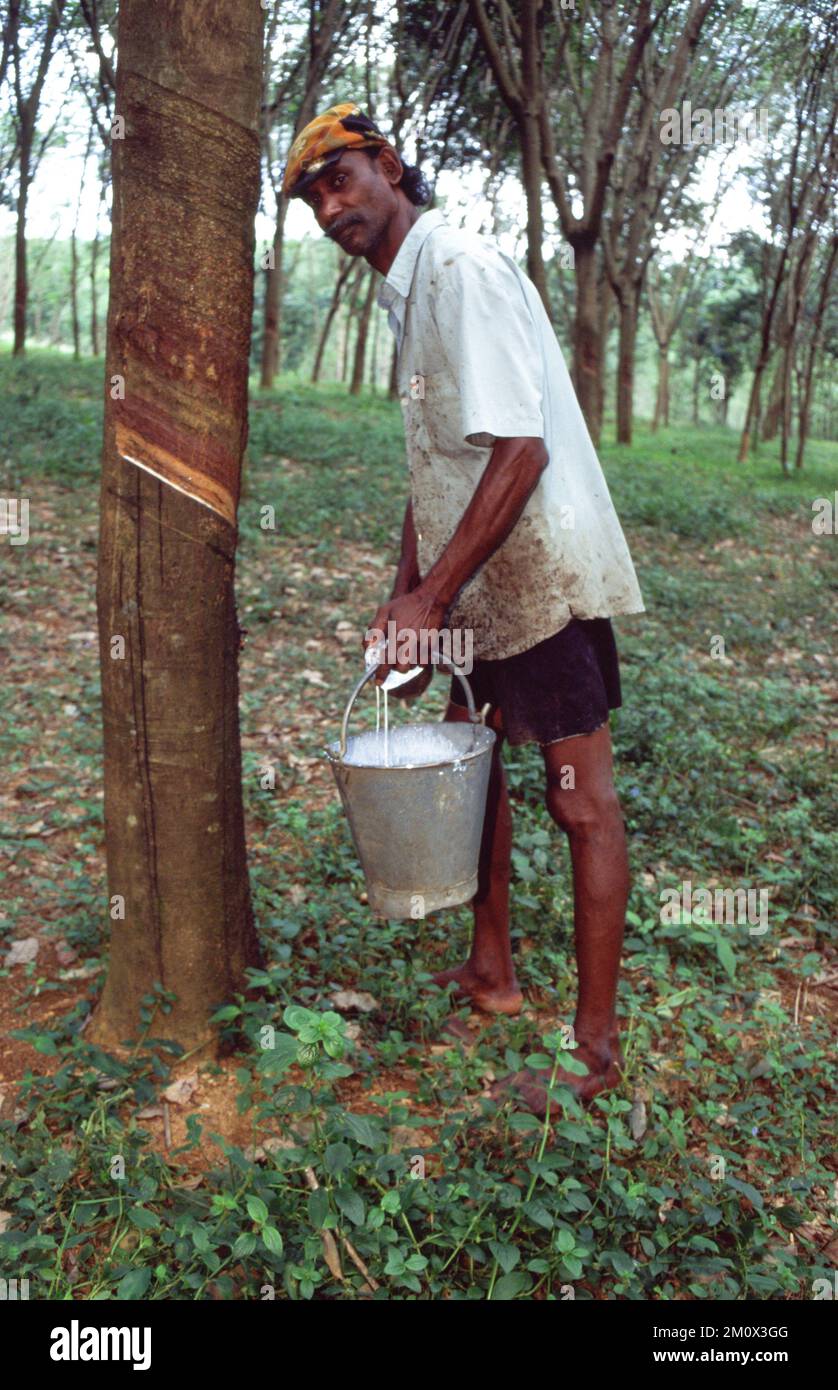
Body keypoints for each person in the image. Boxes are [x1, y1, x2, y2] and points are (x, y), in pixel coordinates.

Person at [282, 102, 646, 1117]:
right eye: (314, 195)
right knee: (472, 770)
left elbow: (518, 449)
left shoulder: (462, 272)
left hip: (542, 578)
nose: (329, 206)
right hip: (478, 584)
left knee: (579, 798)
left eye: (341, 178)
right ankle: (492, 972)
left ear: (390, 166)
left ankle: (596, 1050)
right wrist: (409, 592)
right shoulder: (409, 292)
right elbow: (435, 465)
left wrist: (431, 591)